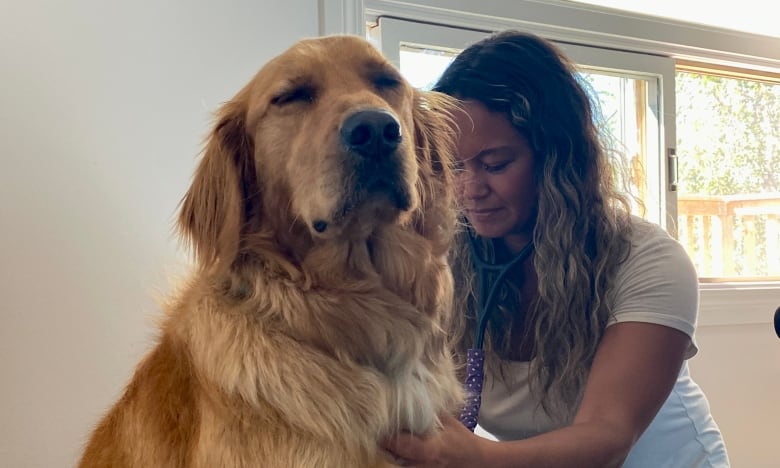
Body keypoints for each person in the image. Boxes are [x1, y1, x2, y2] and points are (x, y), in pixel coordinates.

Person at [382, 30, 730, 467]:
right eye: (453, 165)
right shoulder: (447, 263)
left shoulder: (648, 260)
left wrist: (473, 457)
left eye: (495, 165)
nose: (469, 189)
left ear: (557, 157)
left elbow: (608, 437)